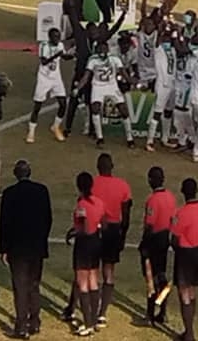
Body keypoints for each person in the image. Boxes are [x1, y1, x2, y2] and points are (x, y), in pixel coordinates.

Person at [0, 160, 52, 339]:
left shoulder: (9, 194)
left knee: (20, 287)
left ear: (16, 174)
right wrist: (42, 239)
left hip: (17, 248)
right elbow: (48, 219)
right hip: (36, 246)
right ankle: (34, 321)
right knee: (34, 284)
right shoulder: (41, 191)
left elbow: (4, 223)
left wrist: (3, 248)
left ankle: (21, 326)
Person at [90, 153, 132, 327]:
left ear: (97, 167)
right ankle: (102, 313)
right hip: (113, 231)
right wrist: (123, 236)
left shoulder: (92, 184)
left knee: (90, 271)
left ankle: (86, 309)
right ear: (112, 166)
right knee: (108, 271)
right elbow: (127, 215)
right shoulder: (123, 186)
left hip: (94, 229)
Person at [73, 41, 135, 148]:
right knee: (95, 108)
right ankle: (100, 138)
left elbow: (123, 72)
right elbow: (86, 76)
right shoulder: (92, 60)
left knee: (123, 110)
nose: (102, 51)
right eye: (100, 49)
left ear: (108, 49)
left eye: (104, 49)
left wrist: (131, 81)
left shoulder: (114, 58)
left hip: (112, 86)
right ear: (97, 50)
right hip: (97, 86)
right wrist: (77, 88)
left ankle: (130, 138)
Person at [171, 178, 198, 341]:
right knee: (192, 291)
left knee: (184, 293)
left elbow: (174, 238)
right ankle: (189, 330)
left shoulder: (181, 213)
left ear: (183, 192)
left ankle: (189, 333)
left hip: (185, 253)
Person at [67, 171, 104, 337]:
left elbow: (83, 227)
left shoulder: (82, 205)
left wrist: (73, 233)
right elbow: (100, 222)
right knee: (93, 280)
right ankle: (95, 320)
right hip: (96, 242)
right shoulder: (98, 202)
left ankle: (88, 323)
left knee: (82, 283)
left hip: (84, 244)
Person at [139, 166, 176, 325]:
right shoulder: (171, 197)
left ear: (151, 180)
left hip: (153, 240)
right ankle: (162, 311)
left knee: (150, 277)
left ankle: (149, 315)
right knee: (161, 274)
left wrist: (143, 244)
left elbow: (149, 225)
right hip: (164, 238)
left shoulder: (153, 200)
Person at [27, 28, 72, 144]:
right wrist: (57, 54)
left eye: (59, 36)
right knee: (38, 105)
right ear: (50, 37)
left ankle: (55, 126)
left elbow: (64, 57)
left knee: (63, 104)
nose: (57, 39)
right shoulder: (44, 46)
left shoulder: (60, 45)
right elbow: (44, 62)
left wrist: (72, 55)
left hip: (56, 78)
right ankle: (31, 131)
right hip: (44, 79)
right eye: (55, 37)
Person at [146, 28, 176, 152]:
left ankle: (165, 138)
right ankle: (150, 140)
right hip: (162, 84)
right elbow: (157, 41)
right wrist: (161, 29)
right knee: (157, 113)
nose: (167, 40)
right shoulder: (158, 50)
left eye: (168, 38)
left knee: (168, 112)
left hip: (173, 83)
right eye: (165, 38)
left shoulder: (173, 50)